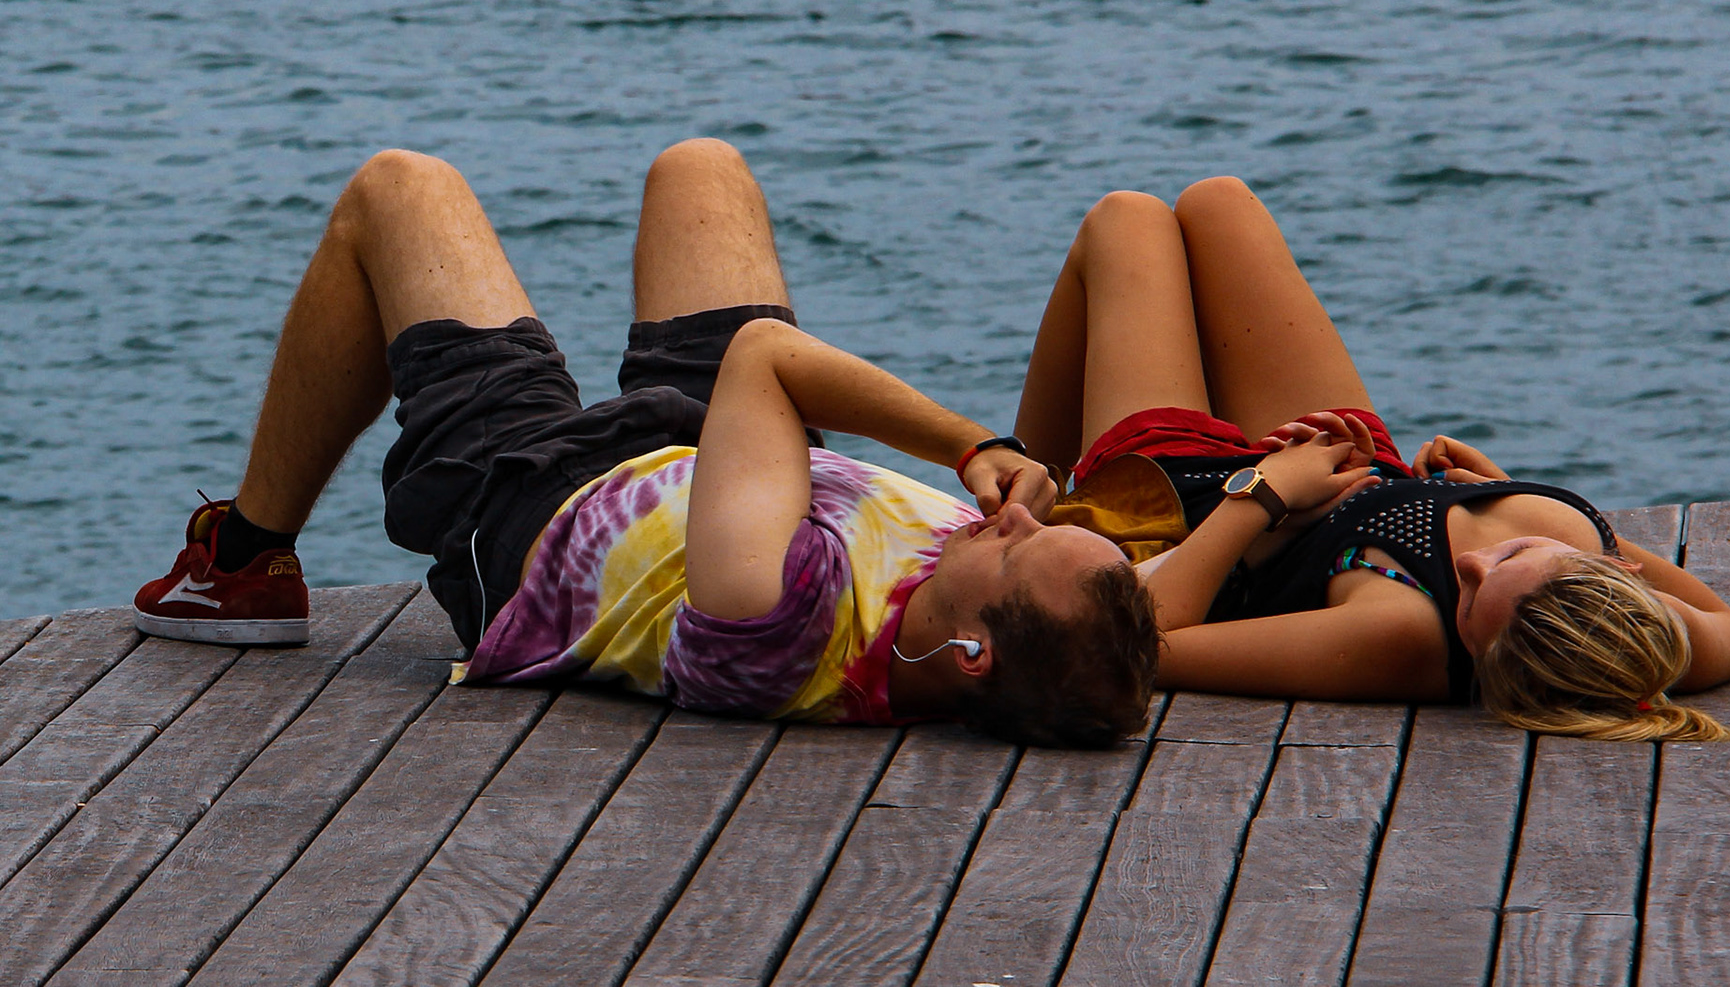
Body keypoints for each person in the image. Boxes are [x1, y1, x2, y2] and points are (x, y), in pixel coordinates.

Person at [133, 140, 1160, 748]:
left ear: (972, 654)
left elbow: (765, 356)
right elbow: (1141, 617)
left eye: (1019, 549)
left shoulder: (781, 616)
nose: (1019, 519)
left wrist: (972, 444)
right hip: (731, 477)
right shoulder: (1007, 623)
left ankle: (244, 564)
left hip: (539, 507)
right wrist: (1246, 499)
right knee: (701, 170)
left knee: (398, 190)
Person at [1011, 178, 1730, 742]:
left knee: (1125, 221)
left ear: (1484, 663)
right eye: (1515, 551)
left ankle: (1018, 508)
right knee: (1219, 202)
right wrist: (1500, 490)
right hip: (1343, 455)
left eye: (1469, 600)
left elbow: (1143, 641)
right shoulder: (1632, 630)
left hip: (1199, 507)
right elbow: (1729, 628)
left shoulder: (1399, 640)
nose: (1473, 561)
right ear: (1617, 576)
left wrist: (1264, 496)